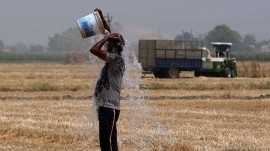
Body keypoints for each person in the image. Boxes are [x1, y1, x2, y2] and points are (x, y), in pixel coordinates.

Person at [90, 8, 125, 151]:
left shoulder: (116, 59)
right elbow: (109, 33)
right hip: (105, 106)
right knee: (106, 143)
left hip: (110, 108)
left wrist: (106, 38)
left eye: (109, 44)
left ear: (115, 48)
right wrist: (101, 18)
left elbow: (94, 50)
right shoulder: (114, 57)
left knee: (109, 144)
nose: (106, 46)